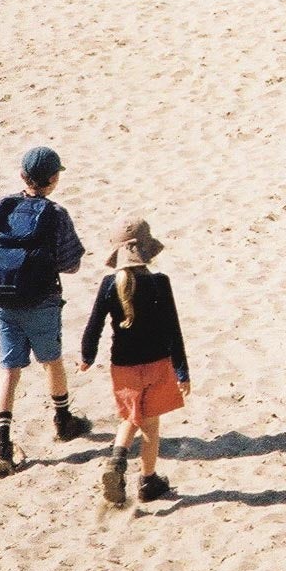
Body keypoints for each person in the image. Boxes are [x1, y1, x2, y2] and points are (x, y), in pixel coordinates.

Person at [0, 144, 91, 478]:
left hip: (3, 301)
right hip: (42, 302)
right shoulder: (56, 214)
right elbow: (71, 263)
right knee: (52, 360)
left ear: (23, 176)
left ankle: (2, 443)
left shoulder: (1, 206)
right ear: (53, 179)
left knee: (9, 369)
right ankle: (64, 420)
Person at [79, 215, 190, 506]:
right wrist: (182, 370)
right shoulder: (160, 283)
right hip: (157, 363)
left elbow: (94, 326)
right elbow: (172, 329)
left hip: (123, 367)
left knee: (131, 416)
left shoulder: (108, 284)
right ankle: (148, 479)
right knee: (151, 425)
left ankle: (117, 460)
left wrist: (87, 356)